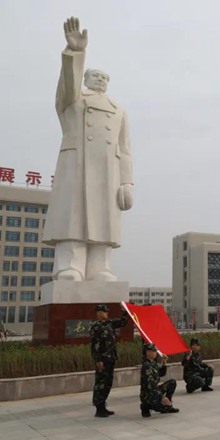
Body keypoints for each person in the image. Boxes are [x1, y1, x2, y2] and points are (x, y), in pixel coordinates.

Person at [43, 17, 134, 281]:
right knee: (74, 215)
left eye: (105, 78)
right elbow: (67, 87)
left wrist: (127, 182)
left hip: (109, 170)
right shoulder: (73, 100)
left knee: (104, 219)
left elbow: (125, 149)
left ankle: (99, 267)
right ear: (85, 78)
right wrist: (75, 52)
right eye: (96, 76)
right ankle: (69, 266)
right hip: (77, 163)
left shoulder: (118, 110)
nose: (101, 80)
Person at [89, 304, 128, 418]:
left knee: (107, 383)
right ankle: (99, 408)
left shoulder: (109, 323)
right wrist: (98, 360)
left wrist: (125, 312)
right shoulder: (96, 327)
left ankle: (103, 406)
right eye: (105, 311)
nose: (107, 313)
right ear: (98, 313)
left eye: (107, 311)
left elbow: (122, 322)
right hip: (103, 360)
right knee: (100, 384)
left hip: (111, 358)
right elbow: (95, 345)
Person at [140, 343, 179, 417]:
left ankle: (168, 403)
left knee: (172, 382)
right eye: (154, 351)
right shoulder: (146, 365)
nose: (155, 352)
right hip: (148, 394)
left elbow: (161, 373)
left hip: (154, 390)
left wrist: (164, 362)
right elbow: (149, 386)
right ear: (147, 352)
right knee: (165, 408)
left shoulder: (153, 363)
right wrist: (162, 397)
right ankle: (146, 406)